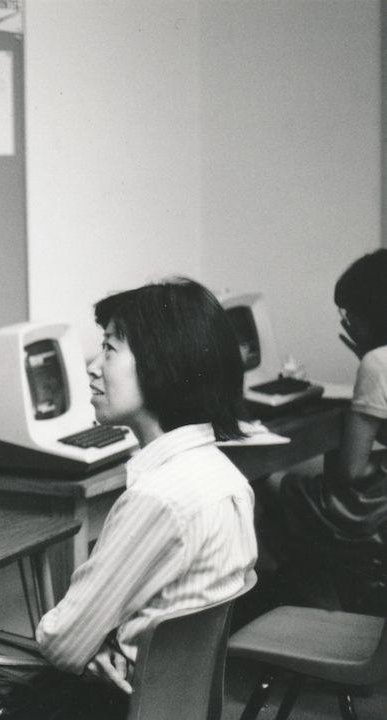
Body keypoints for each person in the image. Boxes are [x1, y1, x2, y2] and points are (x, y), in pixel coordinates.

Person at [34, 278, 258, 719]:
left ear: (162, 366)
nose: (93, 367)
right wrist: (97, 643)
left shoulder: (160, 498)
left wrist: (89, 644)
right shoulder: (225, 477)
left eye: (110, 349)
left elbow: (61, 642)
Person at [261, 248, 387, 613]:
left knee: (267, 484)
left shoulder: (378, 361)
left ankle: (316, 613)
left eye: (348, 314)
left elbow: (349, 472)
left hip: (376, 512)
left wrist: (368, 358)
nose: (346, 323)